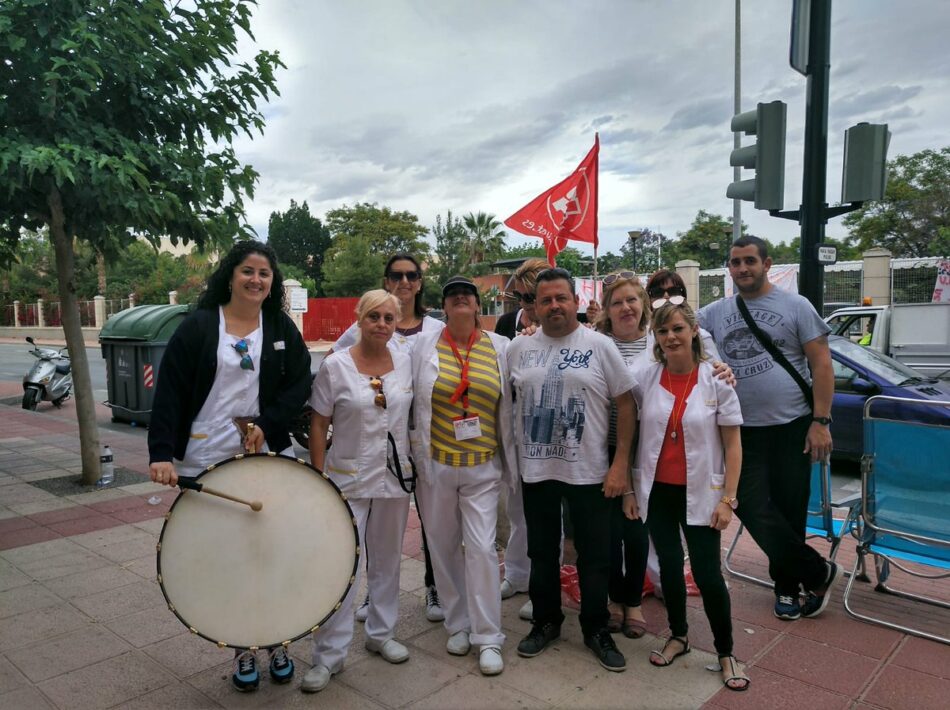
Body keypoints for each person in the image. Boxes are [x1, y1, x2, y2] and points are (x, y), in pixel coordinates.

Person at [148, 240, 312, 693]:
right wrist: (160, 452)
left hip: (265, 446)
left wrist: (268, 422)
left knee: (276, 546)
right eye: (247, 271)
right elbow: (171, 392)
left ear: (272, 281)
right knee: (230, 557)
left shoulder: (278, 326)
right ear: (230, 275)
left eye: (264, 273)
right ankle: (243, 648)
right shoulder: (200, 327)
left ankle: (278, 638)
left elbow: (299, 381)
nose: (256, 279)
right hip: (208, 450)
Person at [698, 236, 840, 621]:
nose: (742, 269)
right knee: (746, 502)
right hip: (742, 430)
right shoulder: (714, 313)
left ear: (767, 263)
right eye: (735, 263)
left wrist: (820, 421)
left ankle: (788, 589)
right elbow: (668, 327)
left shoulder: (796, 306)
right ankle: (817, 571)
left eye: (749, 261)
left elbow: (822, 365)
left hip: (793, 426)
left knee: (790, 509)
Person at [507, 267, 637, 673]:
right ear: (536, 306)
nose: (554, 305)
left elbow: (627, 404)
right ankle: (547, 621)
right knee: (540, 552)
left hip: (591, 472)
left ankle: (595, 627)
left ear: (576, 302)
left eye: (561, 297)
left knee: (595, 556)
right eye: (545, 300)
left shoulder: (599, 345)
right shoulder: (518, 349)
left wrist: (621, 466)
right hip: (536, 469)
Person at [631, 301, 749, 691]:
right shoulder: (646, 377)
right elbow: (606, 372)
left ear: (694, 332)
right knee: (668, 567)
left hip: (702, 492)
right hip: (658, 490)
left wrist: (728, 499)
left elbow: (733, 445)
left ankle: (726, 652)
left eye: (678, 329)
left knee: (707, 573)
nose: (671, 337)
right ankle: (678, 635)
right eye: (663, 332)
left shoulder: (716, 379)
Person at [303, 290, 414, 693]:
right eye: (374, 317)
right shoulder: (335, 366)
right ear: (359, 319)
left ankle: (381, 634)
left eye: (388, 318)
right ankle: (328, 656)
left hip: (393, 477)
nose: (381, 325)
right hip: (346, 478)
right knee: (345, 566)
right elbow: (318, 424)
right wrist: (317, 478)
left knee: (387, 561)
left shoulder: (405, 362)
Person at [410, 276, 515, 675]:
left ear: (476, 306)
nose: (460, 303)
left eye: (467, 298)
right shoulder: (423, 346)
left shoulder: (500, 348)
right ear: (444, 307)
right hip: (436, 464)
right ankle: (458, 622)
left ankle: (488, 636)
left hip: (483, 466)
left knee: (483, 548)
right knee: (442, 546)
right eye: (453, 298)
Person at [332, 253, 446, 624]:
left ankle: (434, 587)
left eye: (412, 275)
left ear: (419, 282)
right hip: (378, 443)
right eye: (396, 275)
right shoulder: (363, 328)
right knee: (369, 535)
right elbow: (340, 374)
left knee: (432, 520)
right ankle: (367, 599)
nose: (405, 281)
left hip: (426, 437)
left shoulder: (434, 328)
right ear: (386, 281)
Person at [594, 271, 651, 638]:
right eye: (617, 302)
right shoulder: (596, 344)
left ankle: (634, 601)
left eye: (632, 300)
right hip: (600, 448)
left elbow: (698, 366)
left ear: (643, 304)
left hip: (645, 450)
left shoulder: (658, 344)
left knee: (636, 529)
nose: (626, 307)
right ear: (606, 310)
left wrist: (720, 370)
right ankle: (613, 598)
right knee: (606, 531)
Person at [494, 258, 548, 616]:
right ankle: (515, 573)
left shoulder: (560, 324)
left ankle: (543, 583)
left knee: (545, 512)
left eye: (534, 296)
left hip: (546, 425)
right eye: (523, 296)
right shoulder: (506, 324)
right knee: (516, 505)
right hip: (512, 423)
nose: (527, 304)